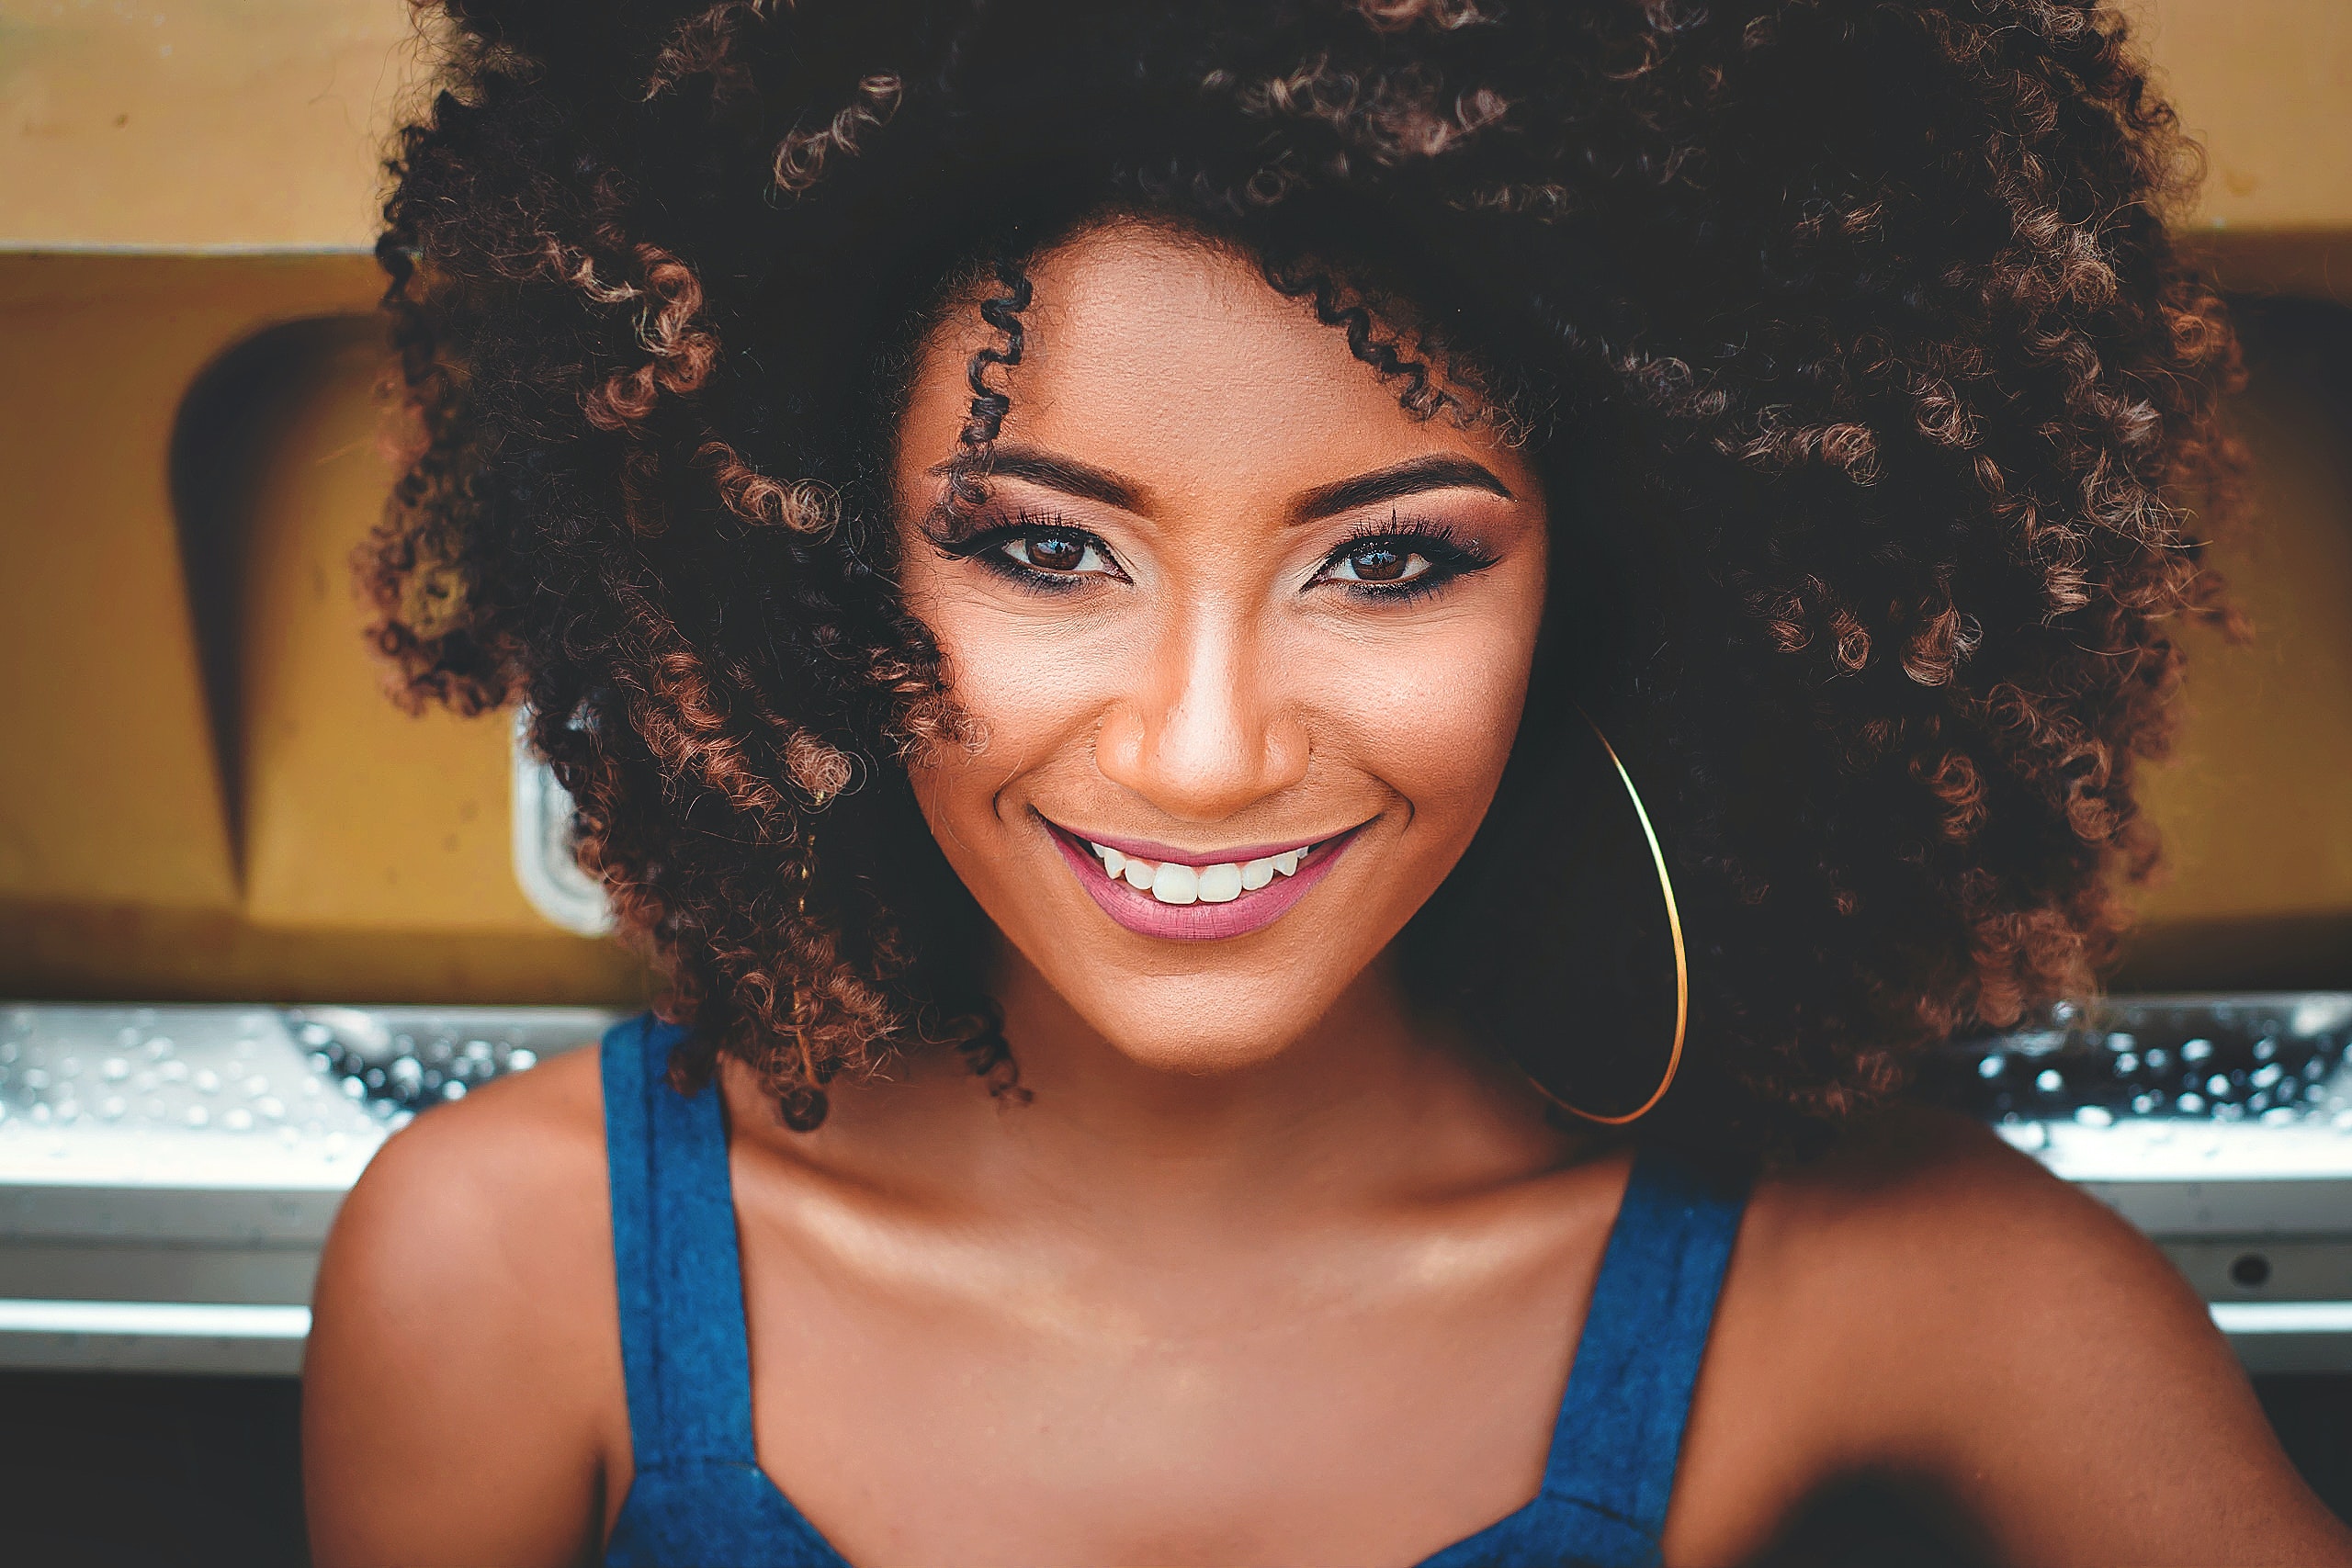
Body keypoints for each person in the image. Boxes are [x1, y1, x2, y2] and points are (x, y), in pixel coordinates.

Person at [301, 3, 2352, 1563]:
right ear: (797, 554)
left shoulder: (1912, 1286)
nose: (1201, 750)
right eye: (1041, 547)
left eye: (1389, 559)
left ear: (1614, 596)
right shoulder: (511, 1262)